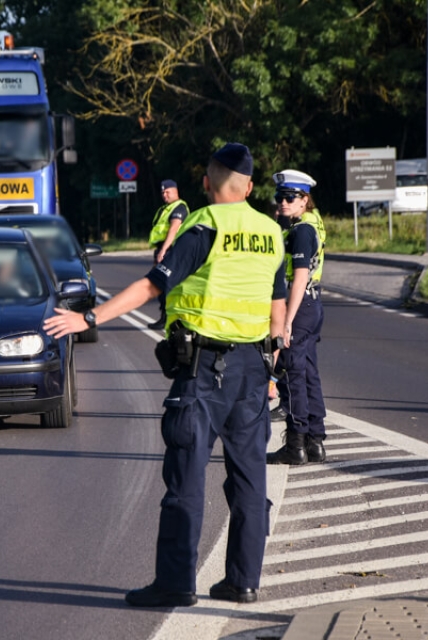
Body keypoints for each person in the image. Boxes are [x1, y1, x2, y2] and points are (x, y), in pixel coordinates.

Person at [44, 143, 286, 607]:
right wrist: (271, 367)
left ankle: (175, 583)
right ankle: (243, 581)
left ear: (206, 184)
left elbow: (151, 285)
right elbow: (277, 309)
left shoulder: (205, 224)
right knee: (251, 480)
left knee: (186, 479)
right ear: (251, 187)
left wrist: (88, 318)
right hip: (254, 371)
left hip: (205, 374)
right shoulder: (271, 231)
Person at [266, 169, 328, 465]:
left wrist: (287, 321)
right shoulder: (300, 226)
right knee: (309, 375)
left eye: (290, 197)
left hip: (299, 306)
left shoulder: (302, 231)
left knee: (292, 376)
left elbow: (300, 277)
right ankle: (315, 442)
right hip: (311, 306)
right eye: (279, 197)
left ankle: (296, 445)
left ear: (305, 200)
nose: (283, 202)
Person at [147, 179, 190, 330]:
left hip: (171, 249)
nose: (164, 195)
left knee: (168, 286)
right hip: (162, 249)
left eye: (168, 192)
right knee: (160, 285)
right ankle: (164, 317)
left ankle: (171, 319)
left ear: (176, 191)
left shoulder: (179, 207)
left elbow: (173, 229)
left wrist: (164, 250)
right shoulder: (164, 209)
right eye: (163, 192)